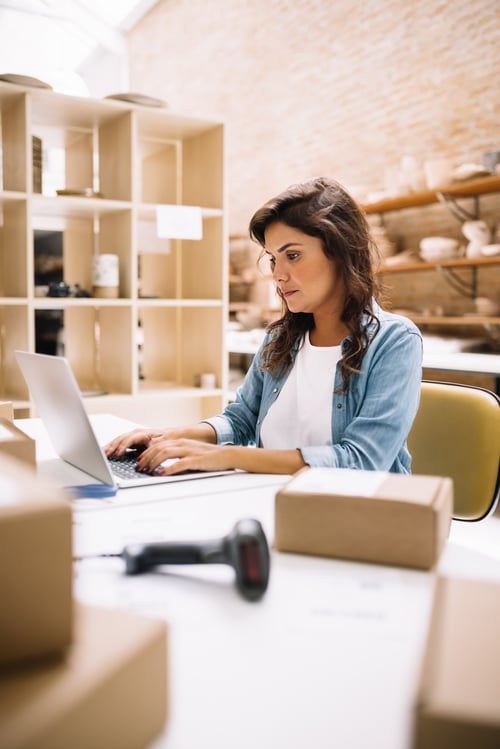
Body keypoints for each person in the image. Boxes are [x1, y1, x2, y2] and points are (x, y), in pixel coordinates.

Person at [105, 177, 423, 476]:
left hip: (357, 517)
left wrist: (225, 456)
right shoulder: (281, 338)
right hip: (276, 502)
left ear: (341, 252)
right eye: (273, 259)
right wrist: (171, 436)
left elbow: (362, 461)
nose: (278, 274)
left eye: (293, 255)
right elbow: (242, 418)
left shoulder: (394, 341)